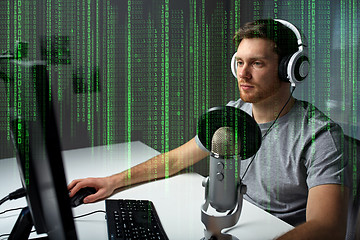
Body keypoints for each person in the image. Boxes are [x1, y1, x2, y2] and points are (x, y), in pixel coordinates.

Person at [68, 19, 349, 239]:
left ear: (290, 69)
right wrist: (112, 181)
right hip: (234, 224)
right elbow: (176, 159)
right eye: (239, 62)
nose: (243, 73)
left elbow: (327, 228)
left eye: (257, 63)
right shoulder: (233, 114)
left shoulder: (320, 136)